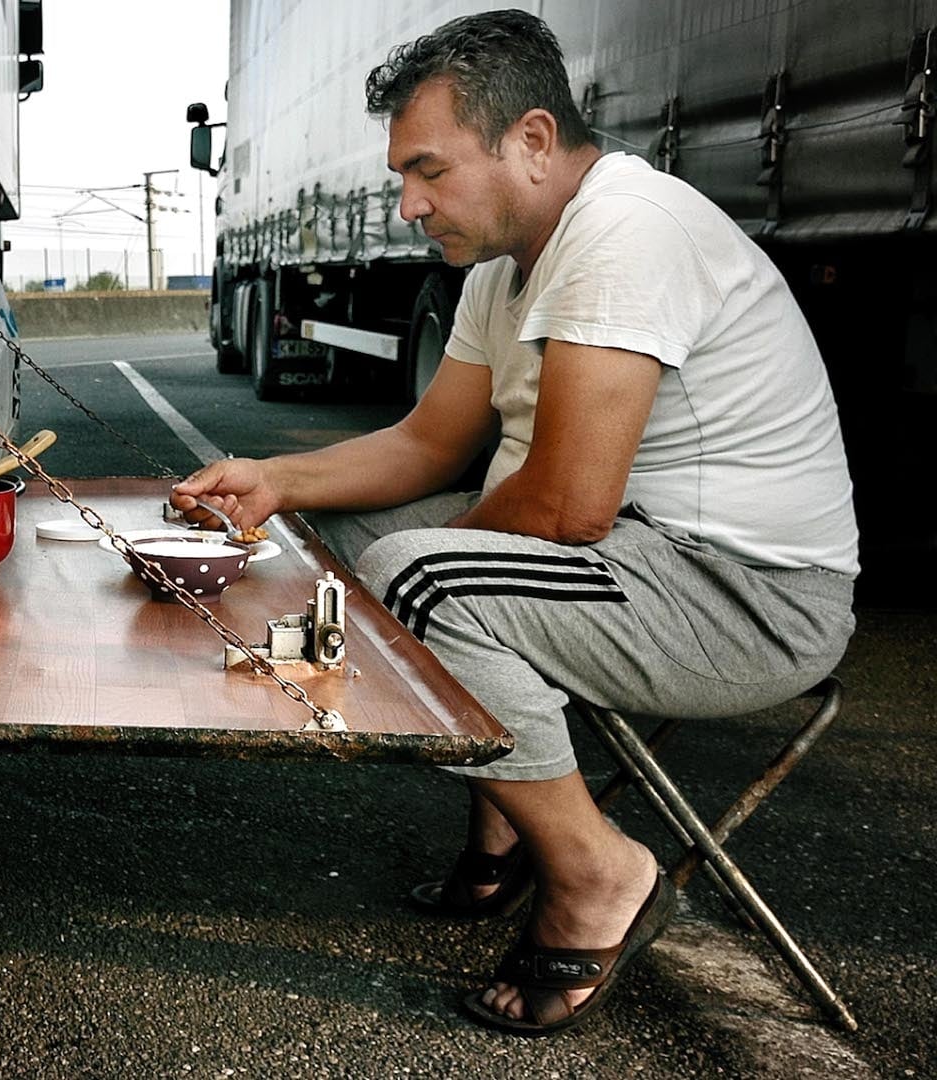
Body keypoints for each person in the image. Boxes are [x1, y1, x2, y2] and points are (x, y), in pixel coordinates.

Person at [171, 9, 859, 1034]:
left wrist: (418, 568)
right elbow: (426, 445)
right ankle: (503, 830)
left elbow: (568, 504)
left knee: (416, 575)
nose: (408, 204)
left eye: (429, 170)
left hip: (747, 599)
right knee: (352, 535)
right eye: (403, 176)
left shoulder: (625, 232)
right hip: (638, 557)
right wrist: (275, 479)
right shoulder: (506, 266)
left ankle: (595, 873)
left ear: (533, 140)